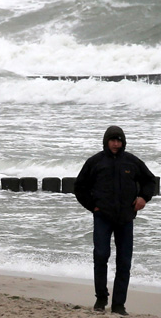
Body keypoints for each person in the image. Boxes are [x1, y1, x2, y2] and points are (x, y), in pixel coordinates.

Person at [74, 126, 155, 316]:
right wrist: (92, 206)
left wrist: (143, 198)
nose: (116, 144)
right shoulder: (95, 162)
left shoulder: (132, 162)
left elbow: (150, 180)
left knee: (124, 262)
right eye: (112, 140)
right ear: (106, 141)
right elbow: (80, 186)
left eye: (119, 140)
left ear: (123, 142)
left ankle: (119, 305)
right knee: (101, 256)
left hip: (126, 218)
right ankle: (101, 299)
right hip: (103, 217)